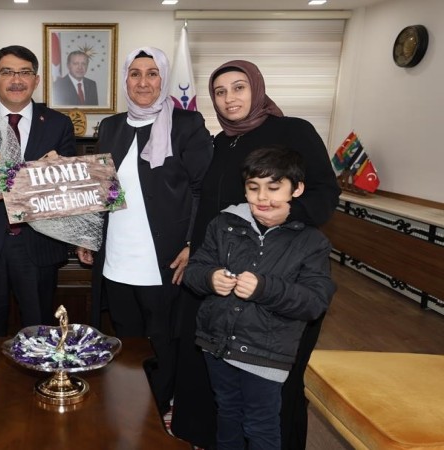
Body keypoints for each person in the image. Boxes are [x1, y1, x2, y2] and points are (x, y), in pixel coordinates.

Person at [171, 59, 341, 449]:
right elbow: (208, 203)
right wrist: (194, 247)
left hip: (280, 269)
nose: (229, 98)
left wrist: (282, 215)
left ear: (257, 88)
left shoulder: (293, 130)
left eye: (239, 87)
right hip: (220, 270)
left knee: (268, 390)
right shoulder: (219, 141)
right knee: (217, 370)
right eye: (220, 91)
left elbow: (324, 192)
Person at [76, 47, 213, 414]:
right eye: (135, 73)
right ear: (125, 80)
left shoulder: (187, 124)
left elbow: (202, 190)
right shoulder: (111, 126)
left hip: (165, 254)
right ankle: (129, 396)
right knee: (126, 333)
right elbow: (100, 189)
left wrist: (193, 242)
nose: (143, 82)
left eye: (152, 73)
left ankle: (158, 404)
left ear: (163, 79)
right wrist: (88, 235)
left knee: (163, 335)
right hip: (117, 252)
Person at [0, 45, 76, 417]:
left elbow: (67, 188)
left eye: (24, 72)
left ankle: (39, 385)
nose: (16, 79)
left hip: (37, 242)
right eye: (7, 72)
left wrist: (44, 179)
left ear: (36, 80)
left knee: (39, 325)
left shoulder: (58, 124)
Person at [188, 146, 336, 450]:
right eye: (253, 188)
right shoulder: (224, 224)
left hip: (267, 353)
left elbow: (314, 301)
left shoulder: (312, 241)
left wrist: (264, 289)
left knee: (261, 425)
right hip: (217, 344)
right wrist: (209, 278)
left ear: (297, 189)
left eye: (274, 187)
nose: (262, 197)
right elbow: (195, 270)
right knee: (227, 413)